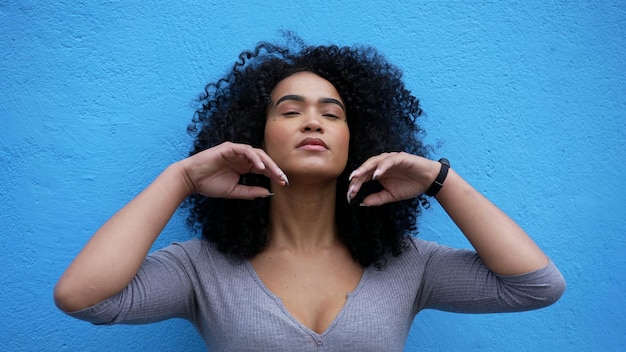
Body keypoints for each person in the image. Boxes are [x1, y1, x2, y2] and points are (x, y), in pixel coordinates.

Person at [54, 38, 565, 351]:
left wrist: (440, 181)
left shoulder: (410, 264)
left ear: (357, 139)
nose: (313, 120)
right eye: (290, 110)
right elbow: (82, 299)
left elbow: (537, 287)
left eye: (333, 112)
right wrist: (180, 179)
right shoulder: (199, 268)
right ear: (255, 134)